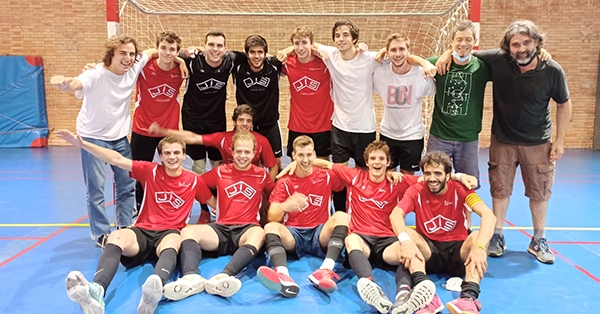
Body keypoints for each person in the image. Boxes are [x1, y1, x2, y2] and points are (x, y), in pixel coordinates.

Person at [280, 141, 477, 314]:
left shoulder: (398, 181)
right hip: (363, 241)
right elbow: (325, 163)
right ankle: (371, 286)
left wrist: (459, 177)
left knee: (406, 248)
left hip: (387, 243)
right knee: (350, 238)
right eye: (373, 158)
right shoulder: (354, 176)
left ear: (388, 162)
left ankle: (403, 294)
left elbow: (431, 178)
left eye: (381, 158)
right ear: (367, 162)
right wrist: (295, 165)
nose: (377, 162)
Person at [439, 20, 572, 264]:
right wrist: (448, 52)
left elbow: (564, 104)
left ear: (537, 43)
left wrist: (560, 140)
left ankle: (539, 239)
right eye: (515, 44)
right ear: (508, 47)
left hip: (537, 141)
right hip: (503, 139)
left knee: (539, 191)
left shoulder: (552, 70)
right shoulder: (499, 60)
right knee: (500, 189)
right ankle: (497, 235)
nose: (521, 49)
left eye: (526, 43)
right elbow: (465, 50)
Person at [57, 130, 215, 314]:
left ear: (184, 154)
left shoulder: (194, 180)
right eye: (167, 153)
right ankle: (97, 290)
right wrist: (83, 144)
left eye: (177, 152)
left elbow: (216, 205)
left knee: (173, 240)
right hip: (142, 231)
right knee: (115, 237)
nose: (172, 157)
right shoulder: (150, 171)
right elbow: (116, 159)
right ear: (161, 156)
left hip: (169, 234)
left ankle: (154, 290)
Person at [50, 35, 186, 247]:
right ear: (111, 54)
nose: (128, 58)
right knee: (95, 188)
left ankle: (124, 226)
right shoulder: (95, 74)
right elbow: (76, 84)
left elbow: (151, 52)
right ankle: (101, 233)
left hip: (119, 137)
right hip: (92, 137)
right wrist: (64, 84)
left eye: (132, 54)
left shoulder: (133, 68)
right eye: (123, 53)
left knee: (127, 184)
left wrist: (181, 60)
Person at [162, 132, 275, 300]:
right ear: (232, 151)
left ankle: (224, 276)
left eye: (246, 152)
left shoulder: (262, 175)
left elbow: (275, 194)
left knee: (259, 233)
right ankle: (190, 277)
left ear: (253, 153)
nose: (242, 156)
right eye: (238, 151)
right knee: (188, 232)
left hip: (247, 229)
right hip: (220, 228)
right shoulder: (220, 172)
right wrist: (211, 201)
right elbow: (197, 182)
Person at [390, 151, 496, 314]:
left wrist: (480, 247)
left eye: (438, 173)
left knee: (476, 238)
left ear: (448, 176)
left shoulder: (461, 189)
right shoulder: (416, 190)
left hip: (458, 251)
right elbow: (396, 214)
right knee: (408, 236)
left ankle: (468, 299)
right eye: (428, 173)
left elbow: (489, 216)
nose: (432, 178)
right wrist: (405, 241)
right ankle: (427, 297)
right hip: (429, 250)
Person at [255, 135, 348, 298]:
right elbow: (272, 216)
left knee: (342, 216)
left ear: (314, 154)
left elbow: (349, 174)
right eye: (300, 155)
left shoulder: (326, 176)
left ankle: (325, 271)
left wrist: (324, 163)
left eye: (309, 155)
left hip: (320, 233)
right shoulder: (285, 181)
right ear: (293, 156)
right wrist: (285, 206)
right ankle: (282, 275)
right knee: (270, 227)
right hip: (294, 234)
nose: (305, 160)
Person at [130, 31, 187, 213]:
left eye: (172, 49)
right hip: (142, 128)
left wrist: (182, 61)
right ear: (157, 48)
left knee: (171, 170)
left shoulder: (181, 70)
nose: (167, 53)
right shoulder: (144, 67)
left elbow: (200, 51)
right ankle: (140, 208)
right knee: (139, 172)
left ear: (178, 52)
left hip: (168, 131)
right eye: (163, 48)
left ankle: (168, 207)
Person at [149, 104, 278, 182]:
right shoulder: (223, 138)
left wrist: (267, 190)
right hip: (229, 179)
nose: (244, 124)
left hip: (253, 180)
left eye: (248, 121)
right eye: (241, 120)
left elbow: (273, 167)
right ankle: (206, 210)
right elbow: (193, 138)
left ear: (252, 124)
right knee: (198, 181)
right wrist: (164, 131)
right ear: (234, 122)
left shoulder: (261, 141)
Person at [373, 33, 436, 175]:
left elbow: (436, 89)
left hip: (412, 136)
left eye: (402, 49)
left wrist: (424, 63)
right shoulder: (379, 74)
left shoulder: (421, 75)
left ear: (409, 51)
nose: (398, 54)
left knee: (408, 179)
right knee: (388, 176)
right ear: (387, 53)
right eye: (393, 50)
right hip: (387, 133)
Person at [281, 26, 334, 160]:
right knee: (297, 165)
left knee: (322, 167)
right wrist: (285, 51)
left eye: (304, 42)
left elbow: (343, 55)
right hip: (297, 124)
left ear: (312, 43)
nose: (300, 47)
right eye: (296, 43)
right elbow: (268, 60)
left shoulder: (325, 62)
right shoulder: (288, 63)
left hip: (322, 124)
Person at [232, 35, 284, 168]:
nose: (256, 56)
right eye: (252, 52)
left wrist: (286, 51)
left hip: (270, 124)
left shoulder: (273, 65)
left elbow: (296, 50)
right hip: (247, 126)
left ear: (265, 54)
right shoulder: (237, 66)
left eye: (260, 52)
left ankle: (274, 188)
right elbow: (216, 54)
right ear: (247, 54)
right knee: (249, 161)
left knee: (276, 162)